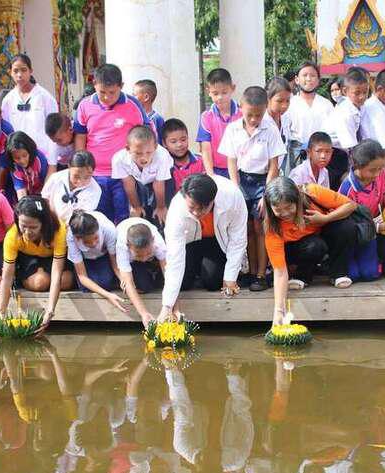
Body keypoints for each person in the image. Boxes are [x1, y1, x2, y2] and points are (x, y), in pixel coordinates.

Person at [263, 178, 358, 323]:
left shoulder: (312, 192)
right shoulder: (273, 229)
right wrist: (279, 310)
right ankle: (302, 275)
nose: (285, 213)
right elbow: (280, 271)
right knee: (314, 246)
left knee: (346, 226)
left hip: (322, 234)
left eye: (289, 207)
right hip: (298, 249)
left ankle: (338, 272)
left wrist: (325, 218)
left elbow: (351, 205)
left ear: (297, 200)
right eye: (278, 210)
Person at [219, 86, 285, 292]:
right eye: (250, 115)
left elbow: (274, 165)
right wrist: (235, 187)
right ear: (241, 107)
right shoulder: (232, 129)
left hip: (263, 181)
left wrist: (266, 194)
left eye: (259, 115)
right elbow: (231, 160)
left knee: (260, 227)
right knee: (245, 227)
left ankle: (261, 274)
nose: (254, 119)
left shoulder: (270, 129)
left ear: (265, 109)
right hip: (241, 181)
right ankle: (250, 271)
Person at [159, 174, 248, 322]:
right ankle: (194, 270)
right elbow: (174, 259)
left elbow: (238, 239)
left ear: (212, 200)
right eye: (191, 208)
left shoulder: (232, 196)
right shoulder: (176, 209)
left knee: (213, 282)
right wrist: (167, 306)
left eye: (201, 209)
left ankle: (204, 271)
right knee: (183, 283)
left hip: (217, 240)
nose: (196, 213)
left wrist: (230, 277)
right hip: (190, 242)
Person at [73, 63, 150, 224]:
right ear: (94, 84)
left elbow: (146, 134)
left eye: (112, 92)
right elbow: (80, 136)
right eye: (102, 92)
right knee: (98, 220)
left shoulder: (133, 105)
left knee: (124, 219)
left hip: (124, 175)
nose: (107, 97)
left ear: (121, 86)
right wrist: (81, 166)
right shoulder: (85, 105)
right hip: (94, 175)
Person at [0, 196, 73, 332]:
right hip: (27, 258)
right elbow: (7, 277)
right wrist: (1, 312)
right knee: (40, 282)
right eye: (23, 226)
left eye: (33, 227)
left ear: (44, 223)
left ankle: (42, 275)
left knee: (66, 280)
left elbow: (57, 273)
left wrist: (50, 311)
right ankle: (30, 278)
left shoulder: (59, 231)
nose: (27, 232)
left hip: (51, 258)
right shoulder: (12, 235)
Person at [339, 140, 385, 282]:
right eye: (372, 170)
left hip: (368, 233)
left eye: (380, 168)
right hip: (351, 235)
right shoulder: (347, 188)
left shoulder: (381, 174)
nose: (377, 173)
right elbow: (343, 222)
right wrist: (378, 226)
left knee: (370, 274)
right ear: (358, 166)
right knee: (353, 275)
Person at [0, 54, 60, 168]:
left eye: (23, 70)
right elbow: (6, 133)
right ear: (10, 72)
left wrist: (52, 165)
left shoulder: (45, 97)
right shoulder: (7, 100)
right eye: (15, 71)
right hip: (18, 161)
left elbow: (54, 132)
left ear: (31, 71)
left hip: (43, 158)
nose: (19, 75)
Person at [111, 125, 173, 225]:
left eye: (148, 152)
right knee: (139, 214)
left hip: (163, 180)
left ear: (155, 147)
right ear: (128, 148)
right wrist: (136, 207)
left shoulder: (162, 156)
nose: (144, 157)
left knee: (162, 214)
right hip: (137, 179)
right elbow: (129, 183)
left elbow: (159, 183)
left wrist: (161, 207)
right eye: (138, 153)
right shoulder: (119, 159)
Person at [66, 209, 126, 311]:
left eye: (96, 238)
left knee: (105, 282)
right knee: (86, 287)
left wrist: (123, 279)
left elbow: (114, 261)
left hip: (104, 255)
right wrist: (107, 295)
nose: (93, 244)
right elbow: (82, 276)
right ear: (77, 238)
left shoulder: (108, 229)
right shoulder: (71, 237)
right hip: (85, 259)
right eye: (87, 242)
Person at [115, 217, 168, 324]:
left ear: (153, 240)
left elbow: (169, 274)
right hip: (133, 262)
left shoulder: (158, 242)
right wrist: (144, 314)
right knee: (143, 285)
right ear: (128, 246)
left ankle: (152, 268)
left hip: (152, 259)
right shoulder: (122, 245)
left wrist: (171, 307)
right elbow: (128, 282)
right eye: (139, 255)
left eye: (147, 253)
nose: (144, 258)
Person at [327, 67, 369, 190]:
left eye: (365, 92)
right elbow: (350, 147)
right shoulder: (345, 112)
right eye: (357, 93)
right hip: (333, 153)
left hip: (343, 151)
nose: (362, 97)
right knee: (340, 187)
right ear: (345, 91)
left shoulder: (358, 107)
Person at [196, 68, 242, 178]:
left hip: (240, 169)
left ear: (233, 88)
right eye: (215, 93)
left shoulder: (242, 114)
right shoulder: (206, 117)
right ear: (208, 91)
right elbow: (206, 149)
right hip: (216, 171)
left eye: (224, 92)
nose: (220, 97)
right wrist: (211, 174)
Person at [358, 68, 385, 177]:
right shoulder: (374, 109)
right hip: (374, 162)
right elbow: (383, 145)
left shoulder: (380, 107)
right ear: (380, 89)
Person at [287, 62, 334, 158]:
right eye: (305, 75)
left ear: (318, 80)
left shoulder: (326, 104)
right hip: (296, 153)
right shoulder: (290, 104)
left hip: (321, 154)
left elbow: (333, 131)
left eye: (312, 76)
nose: (308, 79)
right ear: (297, 79)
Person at [41, 150, 102, 224]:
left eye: (86, 177)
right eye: (76, 176)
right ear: (69, 167)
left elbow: (82, 215)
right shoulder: (55, 178)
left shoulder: (95, 190)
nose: (80, 181)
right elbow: (45, 199)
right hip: (52, 221)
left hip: (73, 225)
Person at [162, 118, 205, 200]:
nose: (179, 144)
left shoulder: (201, 162)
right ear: (164, 143)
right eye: (173, 141)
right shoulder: (164, 167)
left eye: (183, 139)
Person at [6, 131, 53, 199]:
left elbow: (48, 183)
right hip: (29, 192)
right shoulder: (13, 166)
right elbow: (21, 191)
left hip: (44, 190)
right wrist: (25, 203)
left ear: (30, 151)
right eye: (17, 158)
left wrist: (43, 198)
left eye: (24, 155)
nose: (22, 161)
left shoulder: (40, 159)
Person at [265, 76, 296, 174]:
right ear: (268, 98)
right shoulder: (261, 121)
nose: (284, 105)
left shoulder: (286, 119)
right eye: (279, 101)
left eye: (287, 101)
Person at [133, 79, 166, 144]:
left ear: (146, 97)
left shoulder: (157, 119)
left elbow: (159, 143)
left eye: (134, 95)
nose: (132, 98)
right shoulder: (135, 117)